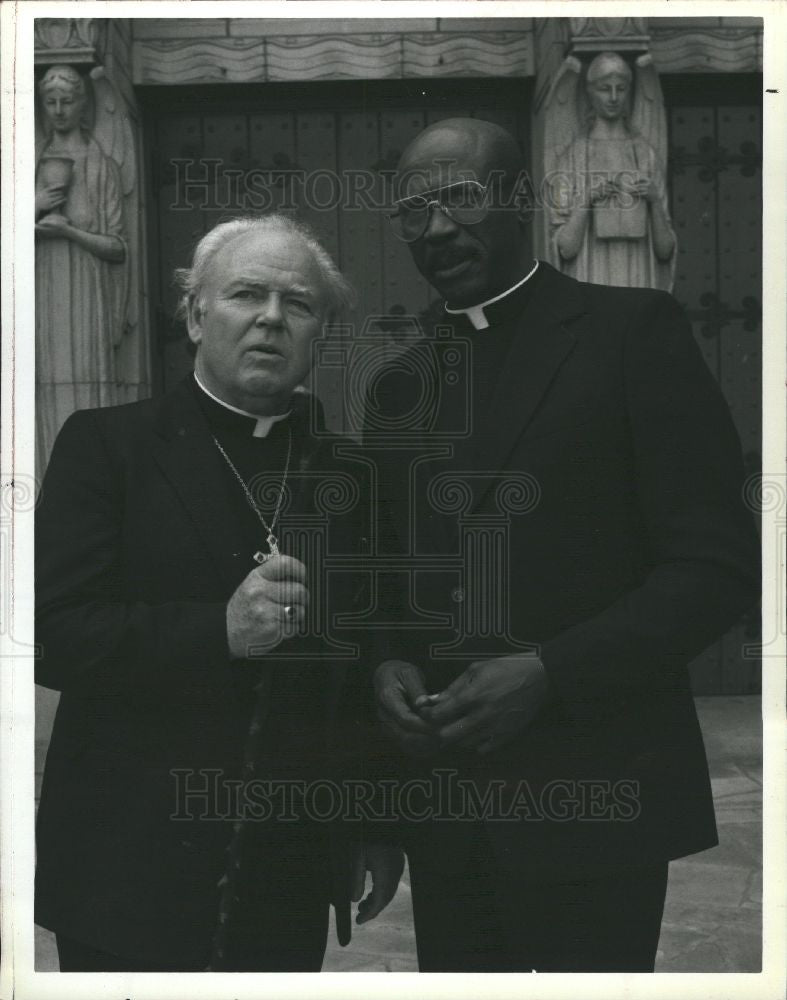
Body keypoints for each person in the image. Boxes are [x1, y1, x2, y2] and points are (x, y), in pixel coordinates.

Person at [370, 118, 759, 972]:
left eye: (461, 201)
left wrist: (551, 672)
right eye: (413, 210)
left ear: (520, 202)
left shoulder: (631, 333)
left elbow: (717, 565)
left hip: (597, 797)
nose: (436, 230)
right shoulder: (397, 385)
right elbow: (395, 580)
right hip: (450, 809)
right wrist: (387, 663)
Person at [35, 214, 404, 972]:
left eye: (297, 304)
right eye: (245, 294)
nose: (271, 318)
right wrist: (219, 631)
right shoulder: (107, 447)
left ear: (321, 332)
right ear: (196, 313)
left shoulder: (351, 476)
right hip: (131, 859)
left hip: (289, 865)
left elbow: (364, 665)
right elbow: (51, 634)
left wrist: (374, 819)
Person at [35, 64, 129, 484]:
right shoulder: (26, 163)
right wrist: (32, 206)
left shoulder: (99, 165)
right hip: (39, 290)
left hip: (88, 294)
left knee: (89, 387)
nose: (57, 110)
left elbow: (118, 246)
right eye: (49, 102)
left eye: (67, 101)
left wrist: (69, 231)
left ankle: (90, 480)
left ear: (83, 104)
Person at [549, 52, 676, 290]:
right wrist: (586, 199)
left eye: (621, 88)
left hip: (638, 279)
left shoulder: (645, 154)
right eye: (605, 89)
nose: (614, 97)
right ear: (589, 92)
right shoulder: (573, 157)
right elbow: (564, 248)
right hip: (589, 278)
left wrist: (655, 201)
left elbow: (665, 250)